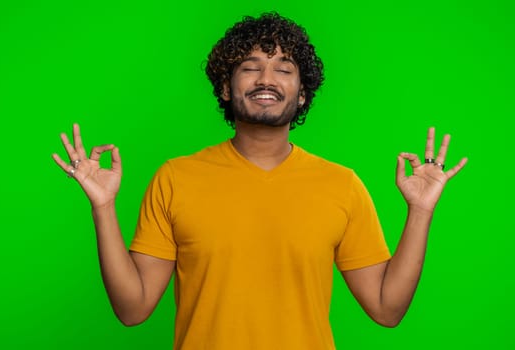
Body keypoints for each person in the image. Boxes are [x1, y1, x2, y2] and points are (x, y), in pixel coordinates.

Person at [52, 12, 467, 350]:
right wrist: (103, 207)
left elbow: (386, 309)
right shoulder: (176, 177)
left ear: (302, 93)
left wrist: (420, 212)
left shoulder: (342, 184)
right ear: (226, 90)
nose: (266, 79)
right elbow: (133, 309)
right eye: (250, 68)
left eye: (284, 69)